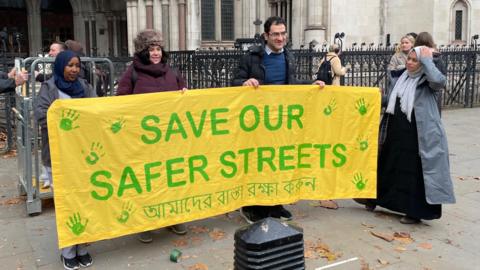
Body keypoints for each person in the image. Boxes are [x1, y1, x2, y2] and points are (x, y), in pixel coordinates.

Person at [232, 16, 325, 224]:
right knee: (257, 163)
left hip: (281, 123)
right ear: (266, 36)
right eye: (275, 34)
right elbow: (234, 81)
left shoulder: (288, 57)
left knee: (278, 163)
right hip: (256, 123)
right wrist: (245, 82)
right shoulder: (251, 57)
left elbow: (291, 85)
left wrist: (312, 84)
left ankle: (275, 204)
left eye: (283, 33)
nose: (280, 38)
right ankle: (252, 207)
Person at [359, 46, 455, 224]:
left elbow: (439, 81)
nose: (409, 63)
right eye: (408, 59)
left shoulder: (427, 81)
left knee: (414, 173)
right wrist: (373, 97)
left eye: (414, 60)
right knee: (390, 166)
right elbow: (394, 100)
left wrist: (427, 60)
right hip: (396, 131)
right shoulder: (401, 77)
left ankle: (415, 212)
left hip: (418, 135)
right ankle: (377, 199)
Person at [116, 29, 188, 242]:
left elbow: (184, 93)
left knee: (170, 179)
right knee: (146, 180)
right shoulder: (133, 73)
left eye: (158, 48)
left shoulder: (171, 71)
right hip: (144, 140)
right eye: (151, 49)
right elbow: (120, 100)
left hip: (169, 139)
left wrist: (185, 93)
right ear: (143, 51)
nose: (156, 53)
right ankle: (145, 223)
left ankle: (172, 218)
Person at [34, 50, 95, 269]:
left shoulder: (85, 87)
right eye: (70, 65)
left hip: (83, 156)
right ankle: (68, 251)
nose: (74, 69)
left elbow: (96, 112)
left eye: (77, 65)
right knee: (66, 204)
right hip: (58, 157)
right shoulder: (49, 88)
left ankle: (83, 247)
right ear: (61, 66)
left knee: (85, 202)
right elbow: (42, 115)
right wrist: (66, 121)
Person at [414, 32, 446, 116]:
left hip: (420, 91)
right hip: (435, 91)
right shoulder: (437, 56)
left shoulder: (416, 55)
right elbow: (443, 74)